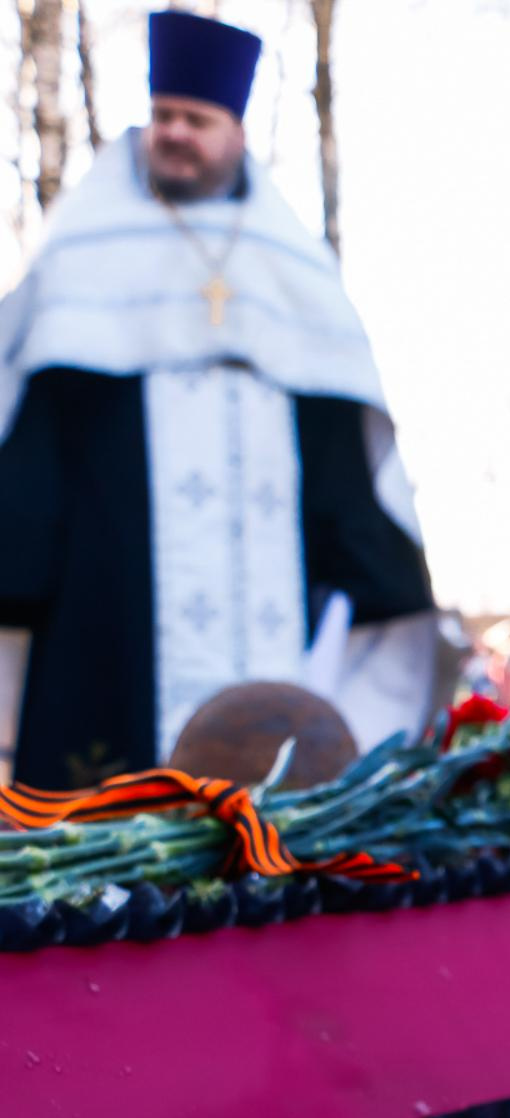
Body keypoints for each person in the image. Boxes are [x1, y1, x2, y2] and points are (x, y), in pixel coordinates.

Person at [0, 11, 433, 789]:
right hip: (112, 623)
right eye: (163, 115)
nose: (173, 134)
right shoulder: (83, 257)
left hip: (273, 623)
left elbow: (338, 444)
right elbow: (35, 443)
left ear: (236, 132)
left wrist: (373, 574)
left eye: (196, 121)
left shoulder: (292, 272)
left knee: (270, 817)